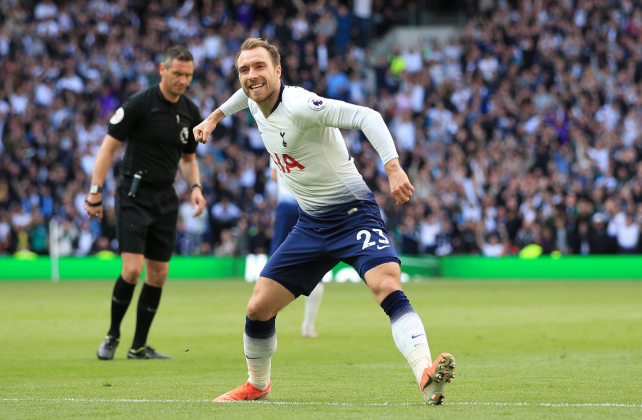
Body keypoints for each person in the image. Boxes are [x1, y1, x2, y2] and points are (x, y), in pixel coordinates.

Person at [194, 38, 455, 405]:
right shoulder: (254, 101)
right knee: (258, 308)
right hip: (312, 223)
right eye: (244, 69)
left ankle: (425, 373)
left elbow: (368, 116)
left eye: (259, 67)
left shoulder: (301, 105)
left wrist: (393, 168)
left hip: (353, 215)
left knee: (385, 285)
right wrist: (214, 117)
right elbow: (244, 97)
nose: (252, 76)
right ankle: (257, 384)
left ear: (278, 71)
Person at [84, 45, 206, 360]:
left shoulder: (190, 112)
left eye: (188, 75)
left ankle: (138, 346)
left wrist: (195, 186)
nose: (183, 80)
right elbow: (107, 149)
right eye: (177, 73)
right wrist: (95, 192)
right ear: (162, 70)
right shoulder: (139, 104)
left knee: (158, 274)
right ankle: (112, 336)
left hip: (165, 198)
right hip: (134, 195)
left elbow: (188, 158)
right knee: (132, 270)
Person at [270, 163, 324, 338]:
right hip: (312, 206)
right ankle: (308, 325)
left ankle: (267, 321)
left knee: (276, 265)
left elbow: (274, 176)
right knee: (317, 265)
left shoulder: (273, 138)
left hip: (287, 208)